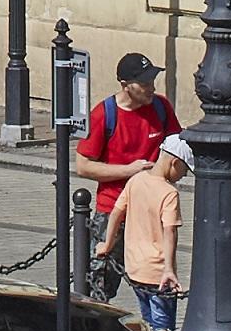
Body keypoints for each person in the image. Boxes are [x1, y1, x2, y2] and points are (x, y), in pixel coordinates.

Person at [74, 51, 182, 222]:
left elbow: (177, 151)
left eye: (152, 82)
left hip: (153, 208)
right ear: (125, 85)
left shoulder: (162, 107)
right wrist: (130, 170)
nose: (151, 88)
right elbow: (83, 166)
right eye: (144, 84)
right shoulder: (103, 115)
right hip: (113, 211)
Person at [104, 136, 187, 331]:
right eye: (184, 170)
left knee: (147, 319)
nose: (183, 175)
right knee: (162, 325)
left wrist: (107, 244)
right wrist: (169, 269)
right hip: (158, 272)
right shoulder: (169, 193)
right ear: (174, 163)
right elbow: (170, 232)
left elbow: (116, 212)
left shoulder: (136, 180)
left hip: (135, 267)